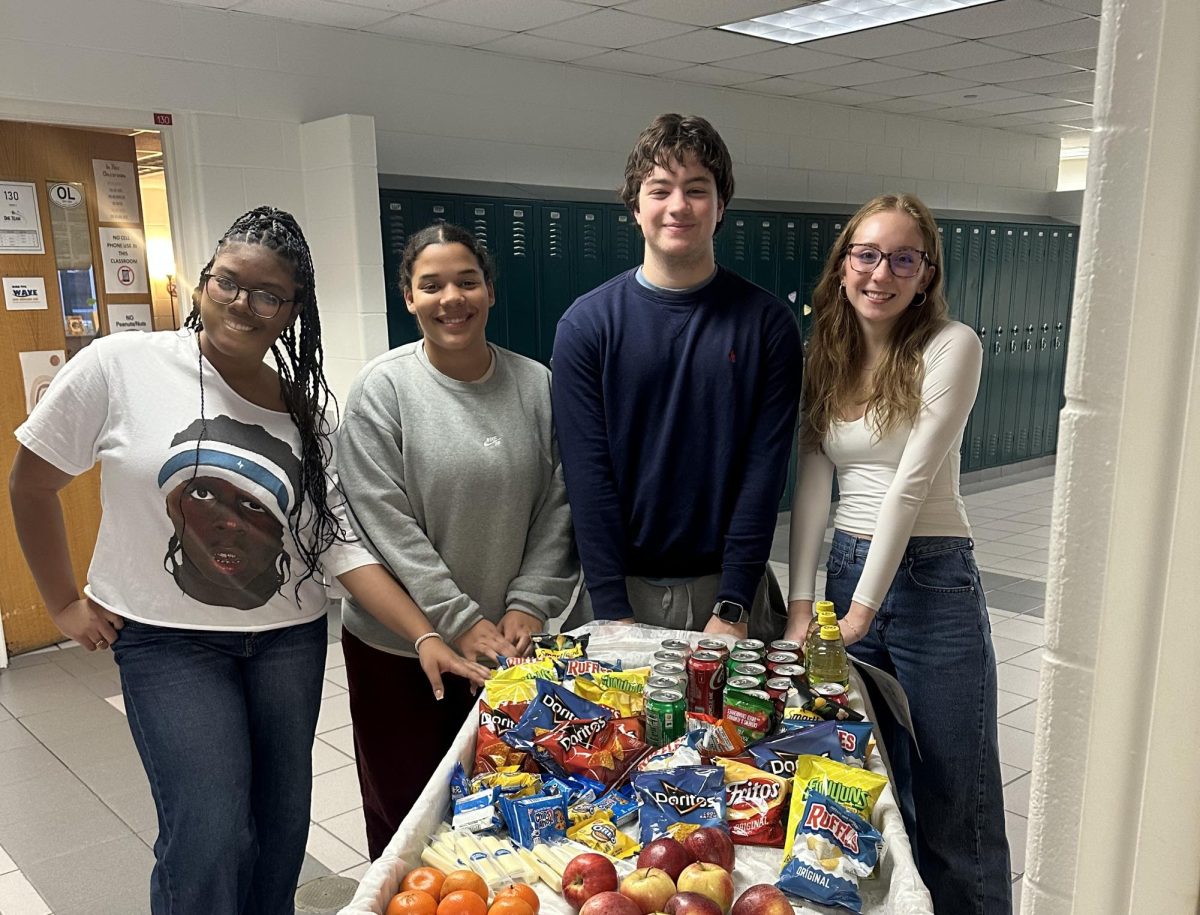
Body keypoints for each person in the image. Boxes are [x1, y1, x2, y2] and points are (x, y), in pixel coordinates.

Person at [7, 206, 485, 914]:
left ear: (293, 310)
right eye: (229, 282)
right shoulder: (120, 364)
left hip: (287, 641)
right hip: (166, 642)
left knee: (282, 825)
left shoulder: (309, 409)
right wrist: (61, 603)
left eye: (268, 294)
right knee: (209, 825)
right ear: (202, 282)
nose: (243, 303)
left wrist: (423, 634)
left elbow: (341, 543)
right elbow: (31, 482)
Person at [787, 194, 1010, 913]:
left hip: (929, 577)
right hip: (852, 570)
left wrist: (859, 613)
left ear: (925, 274)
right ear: (844, 263)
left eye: (902, 259)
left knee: (956, 801)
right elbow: (815, 481)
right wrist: (802, 602)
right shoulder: (825, 351)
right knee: (879, 791)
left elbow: (910, 484)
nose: (881, 273)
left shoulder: (953, 345)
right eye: (867, 254)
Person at [336, 222, 578, 859]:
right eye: (432, 285)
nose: (453, 298)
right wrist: (457, 619)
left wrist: (528, 604)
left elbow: (561, 503)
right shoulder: (382, 390)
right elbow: (382, 521)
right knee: (407, 812)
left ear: (490, 291)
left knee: (512, 809)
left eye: (467, 281)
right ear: (408, 297)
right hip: (399, 647)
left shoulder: (538, 386)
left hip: (509, 645)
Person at [552, 113, 801, 640]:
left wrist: (732, 606)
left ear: (721, 206)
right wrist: (613, 613)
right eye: (660, 189)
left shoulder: (767, 323)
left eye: (697, 189)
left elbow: (765, 473)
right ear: (635, 208)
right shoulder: (587, 324)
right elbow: (587, 475)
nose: (678, 206)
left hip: (731, 591)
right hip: (619, 589)